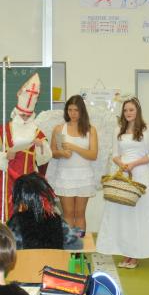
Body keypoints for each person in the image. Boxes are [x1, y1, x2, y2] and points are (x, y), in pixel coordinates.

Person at [97, 97, 149, 269]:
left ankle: (136, 254)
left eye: (131, 110)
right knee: (123, 216)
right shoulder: (118, 130)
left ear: (138, 111)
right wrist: (122, 164)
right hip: (123, 173)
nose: (128, 113)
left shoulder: (147, 130)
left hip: (140, 174)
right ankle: (126, 253)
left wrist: (134, 164)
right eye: (125, 110)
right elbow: (114, 154)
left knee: (139, 215)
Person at [0, 73, 52, 222]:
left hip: (29, 185)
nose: (25, 119)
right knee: (5, 219)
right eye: (22, 115)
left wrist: (41, 146)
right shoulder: (1, 131)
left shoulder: (37, 133)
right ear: (16, 112)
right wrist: (5, 156)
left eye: (28, 116)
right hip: (5, 183)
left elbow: (44, 159)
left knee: (28, 221)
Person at [47, 95, 98, 235]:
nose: (73, 113)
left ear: (82, 111)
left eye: (76, 110)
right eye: (70, 110)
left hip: (84, 176)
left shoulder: (90, 130)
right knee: (68, 214)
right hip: (65, 176)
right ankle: (70, 245)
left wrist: (73, 147)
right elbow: (54, 152)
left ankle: (79, 246)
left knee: (80, 214)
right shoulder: (59, 129)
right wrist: (62, 153)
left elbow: (93, 155)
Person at [7, 173, 82, 251]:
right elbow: (77, 245)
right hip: (54, 259)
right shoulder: (56, 219)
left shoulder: (16, 221)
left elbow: (11, 247)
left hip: (29, 259)